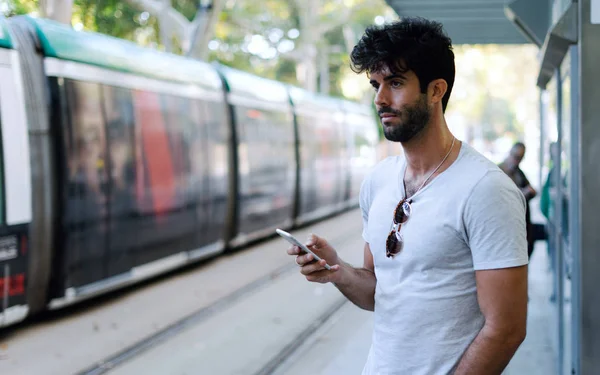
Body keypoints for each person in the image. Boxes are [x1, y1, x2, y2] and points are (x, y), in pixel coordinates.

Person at [287, 17, 528, 375]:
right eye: (375, 84)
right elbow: (377, 292)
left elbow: (506, 330)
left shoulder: (486, 190)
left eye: (395, 83)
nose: (380, 99)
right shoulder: (378, 182)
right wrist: (335, 269)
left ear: (435, 91)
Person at [499, 142, 537, 258]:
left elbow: (531, 190)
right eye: (516, 157)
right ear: (510, 154)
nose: (517, 161)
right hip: (507, 227)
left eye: (520, 158)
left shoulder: (519, 172)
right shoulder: (499, 172)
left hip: (521, 225)